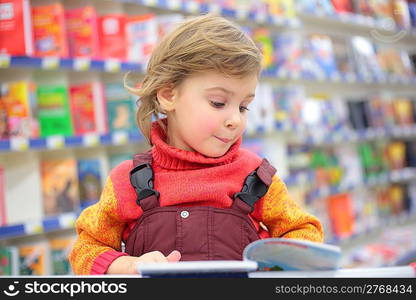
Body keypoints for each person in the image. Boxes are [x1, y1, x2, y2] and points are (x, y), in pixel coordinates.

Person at [69, 14, 324, 275]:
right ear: (169, 95)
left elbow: (305, 232)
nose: (235, 120)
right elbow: (86, 249)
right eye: (218, 102)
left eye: (244, 106)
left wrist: (280, 264)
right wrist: (128, 265)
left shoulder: (256, 177)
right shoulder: (128, 181)